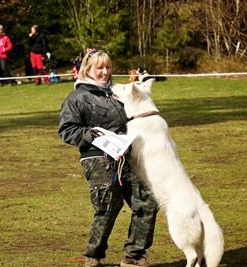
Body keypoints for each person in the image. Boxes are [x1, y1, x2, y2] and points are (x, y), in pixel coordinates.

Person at [58, 50, 159, 267]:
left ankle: (134, 257)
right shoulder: (77, 97)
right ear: (88, 70)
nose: (105, 72)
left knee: (148, 202)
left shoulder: (119, 92)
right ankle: (93, 257)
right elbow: (67, 131)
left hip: (129, 156)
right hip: (98, 159)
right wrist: (92, 134)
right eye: (99, 68)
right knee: (107, 208)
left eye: (108, 67)